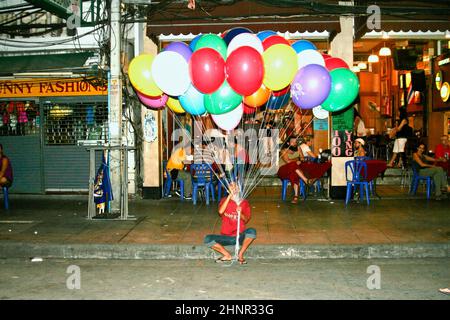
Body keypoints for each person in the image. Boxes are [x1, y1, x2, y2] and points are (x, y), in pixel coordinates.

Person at [204, 182, 256, 265]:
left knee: (252, 231)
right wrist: (229, 197)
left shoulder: (244, 202)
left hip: (239, 236)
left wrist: (240, 213)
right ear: (228, 190)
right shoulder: (224, 200)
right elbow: (220, 212)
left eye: (235, 186)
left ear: (238, 189)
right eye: (231, 186)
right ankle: (227, 255)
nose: (233, 188)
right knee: (207, 239)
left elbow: (246, 219)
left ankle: (240, 255)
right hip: (226, 236)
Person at [277, 136, 311, 204]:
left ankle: (296, 196)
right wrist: (297, 160)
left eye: (296, 141)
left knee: (294, 171)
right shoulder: (283, 150)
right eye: (292, 141)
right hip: (283, 170)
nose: (294, 143)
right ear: (288, 143)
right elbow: (288, 161)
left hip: (294, 170)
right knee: (293, 165)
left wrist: (299, 160)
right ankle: (305, 180)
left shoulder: (298, 148)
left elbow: (302, 159)